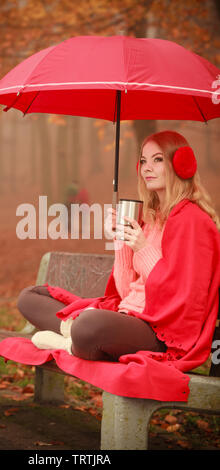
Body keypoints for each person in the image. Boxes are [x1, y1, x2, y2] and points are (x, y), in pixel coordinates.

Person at [15, 130, 220, 363]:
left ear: (181, 164)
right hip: (126, 317)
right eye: (143, 161)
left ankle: (70, 340)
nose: (146, 168)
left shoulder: (193, 221)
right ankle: (74, 337)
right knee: (29, 297)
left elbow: (183, 298)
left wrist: (143, 249)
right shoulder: (151, 219)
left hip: (161, 332)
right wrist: (121, 242)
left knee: (89, 324)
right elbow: (126, 294)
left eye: (157, 159)